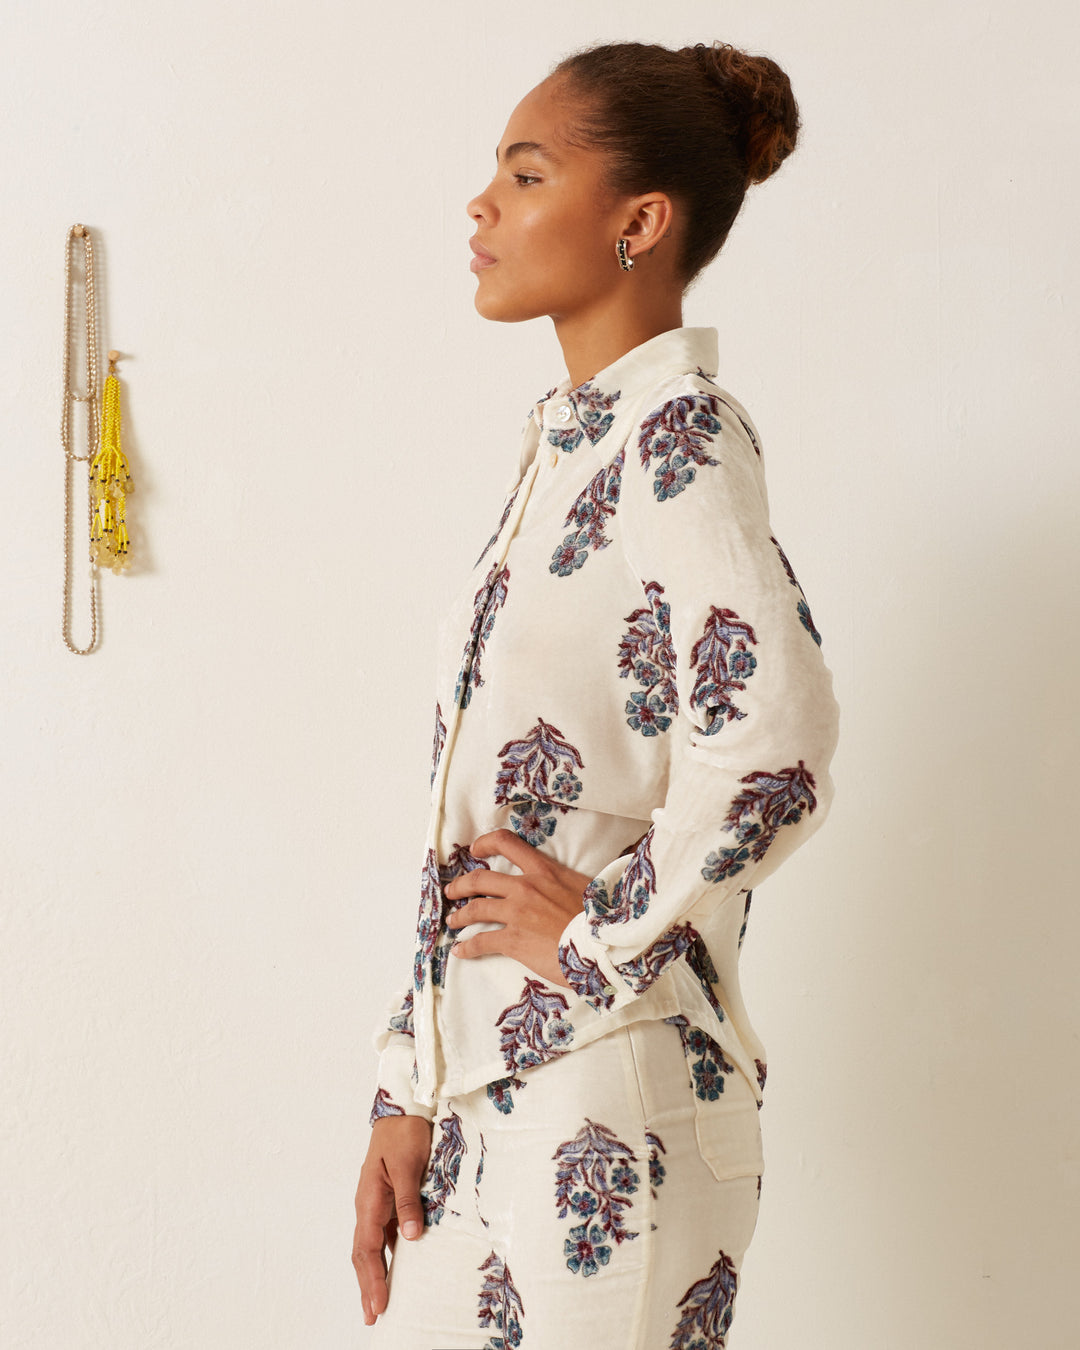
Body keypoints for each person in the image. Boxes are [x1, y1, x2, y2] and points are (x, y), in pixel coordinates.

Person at [352, 37, 840, 1349]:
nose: (482, 205)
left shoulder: (676, 436)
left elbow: (780, 744)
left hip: (615, 1095)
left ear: (639, 222)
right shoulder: (572, 451)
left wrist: (598, 929)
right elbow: (483, 806)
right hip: (510, 1096)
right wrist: (409, 1082)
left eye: (524, 173)